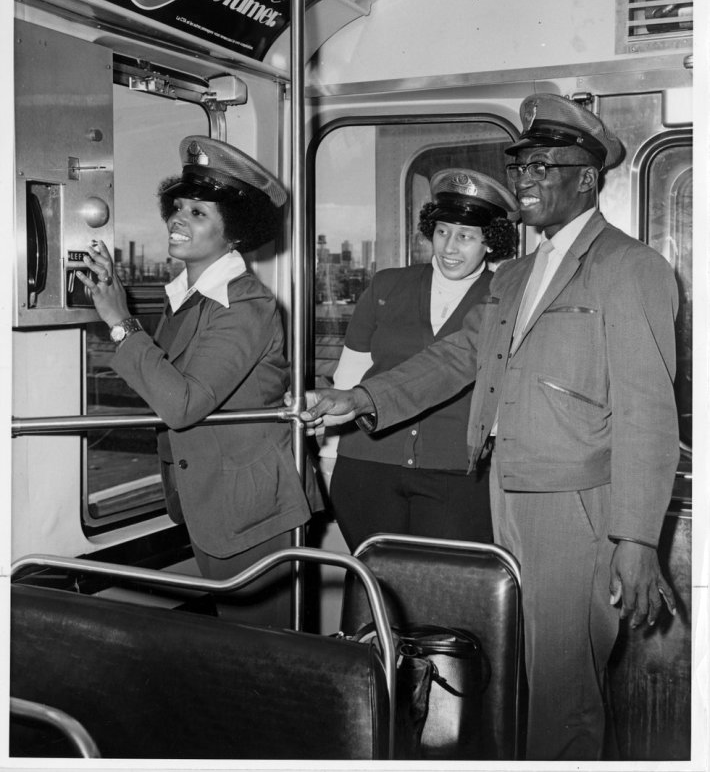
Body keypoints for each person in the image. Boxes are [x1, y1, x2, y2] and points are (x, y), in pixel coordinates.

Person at [300, 94, 679, 760]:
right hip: (504, 495)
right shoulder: (520, 275)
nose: (525, 177)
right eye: (520, 163)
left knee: (564, 686)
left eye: (542, 166)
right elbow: (451, 360)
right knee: (514, 668)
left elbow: (649, 411)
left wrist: (637, 538)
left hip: (574, 505)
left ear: (586, 179)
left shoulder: (630, 267)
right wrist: (356, 397)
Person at [78, 135, 320, 625]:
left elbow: (183, 403)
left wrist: (121, 321)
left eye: (198, 213)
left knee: (266, 658)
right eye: (179, 206)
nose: (178, 220)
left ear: (233, 234)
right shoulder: (187, 296)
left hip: (251, 511)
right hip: (211, 500)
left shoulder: (247, 304)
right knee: (237, 648)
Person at [320, 168, 518, 550]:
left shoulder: (505, 296)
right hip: (366, 467)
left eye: (465, 236)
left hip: (457, 474)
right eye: (442, 232)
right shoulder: (386, 285)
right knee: (373, 586)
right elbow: (348, 384)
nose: (449, 248)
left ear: (489, 242)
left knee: (446, 591)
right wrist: (329, 458)